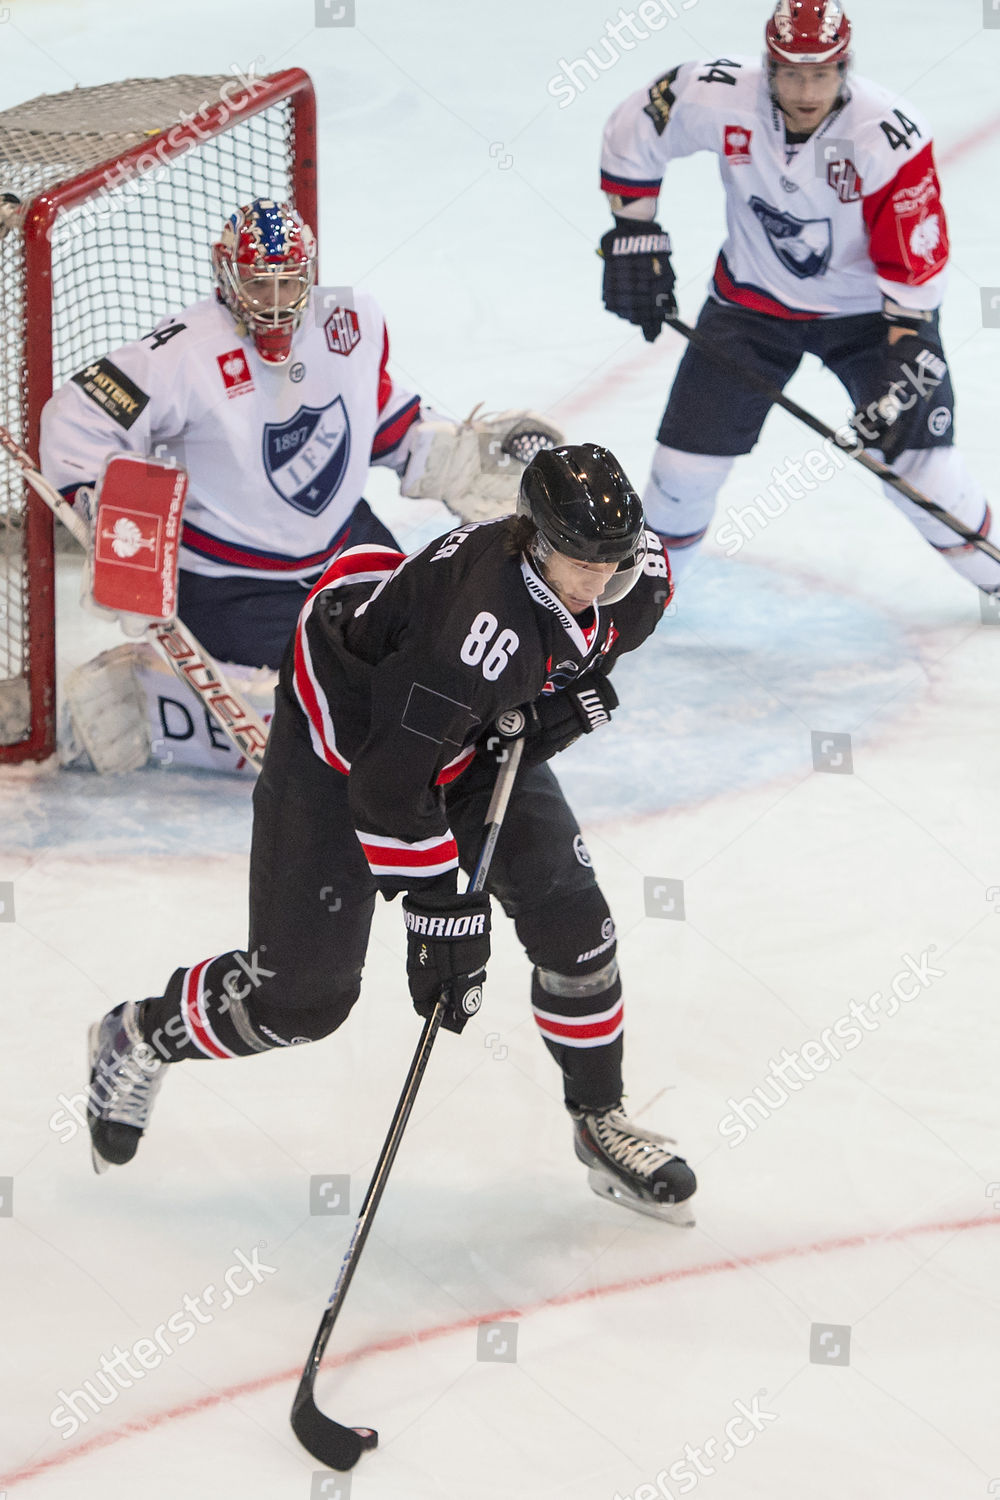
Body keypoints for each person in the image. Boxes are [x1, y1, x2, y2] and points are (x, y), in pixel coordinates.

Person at [83, 443, 696, 1223]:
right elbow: (390, 784)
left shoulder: (636, 583)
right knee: (300, 999)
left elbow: (555, 671)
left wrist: (542, 719)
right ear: (532, 537)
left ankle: (600, 1120)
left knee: (576, 926)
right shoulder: (474, 632)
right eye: (576, 564)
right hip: (346, 744)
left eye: (609, 566)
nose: (594, 586)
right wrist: (441, 916)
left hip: (458, 733)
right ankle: (140, 1034)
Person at [40, 198, 558, 770]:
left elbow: (373, 411)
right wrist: (108, 524)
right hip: (232, 579)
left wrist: (442, 454)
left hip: (344, 543)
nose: (278, 304)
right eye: (260, 286)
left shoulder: (347, 320)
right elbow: (75, 417)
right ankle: (156, 697)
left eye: (291, 284)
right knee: (316, 705)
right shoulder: (180, 351)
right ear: (225, 272)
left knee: (434, 645)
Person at [598, 0, 1000, 594]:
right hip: (751, 306)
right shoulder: (717, 92)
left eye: (821, 73)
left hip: (872, 317)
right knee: (682, 471)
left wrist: (908, 345)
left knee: (922, 468)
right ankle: (638, 607)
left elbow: (913, 250)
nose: (805, 90)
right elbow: (635, 128)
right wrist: (634, 233)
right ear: (769, 66)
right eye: (790, 73)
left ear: (844, 68)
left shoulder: (887, 132)